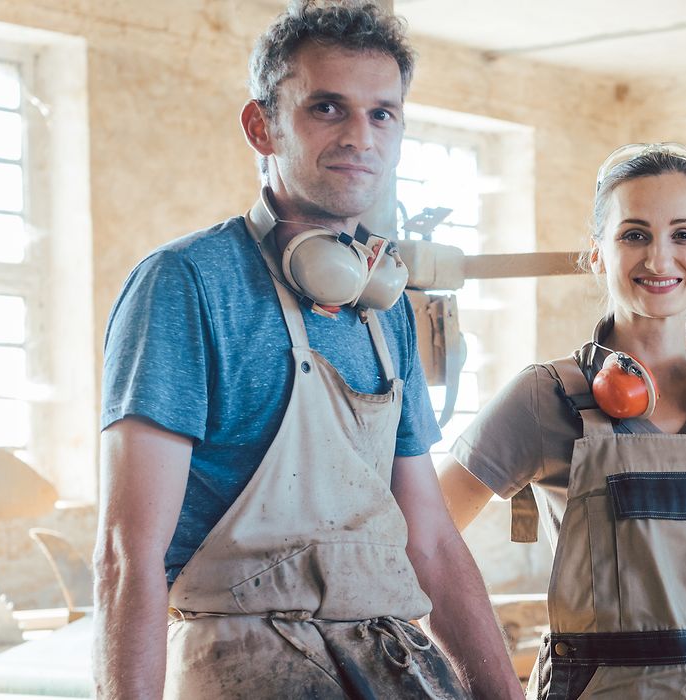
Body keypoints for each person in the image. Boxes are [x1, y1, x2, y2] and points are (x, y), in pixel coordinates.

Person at [93, 3, 522, 697]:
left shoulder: (387, 312)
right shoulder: (187, 284)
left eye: (382, 114)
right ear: (261, 125)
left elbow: (434, 545)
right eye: (327, 108)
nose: (360, 136)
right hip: (246, 666)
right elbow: (127, 554)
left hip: (389, 663)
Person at [435, 143, 686, 699]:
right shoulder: (546, 397)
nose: (660, 259)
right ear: (597, 253)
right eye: (634, 234)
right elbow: (420, 538)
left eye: (684, 234)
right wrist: (494, 684)